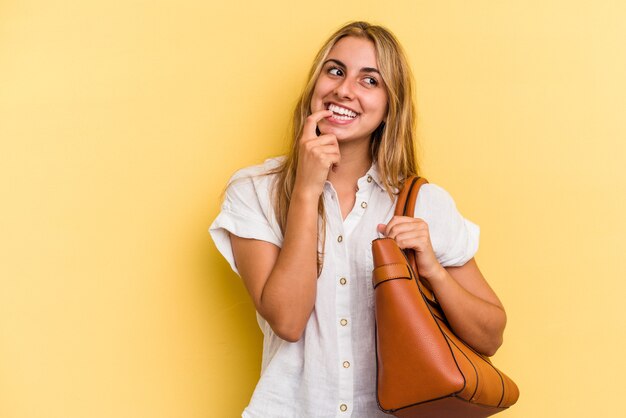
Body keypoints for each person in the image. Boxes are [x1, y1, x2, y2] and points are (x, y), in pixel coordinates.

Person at [209, 21, 507, 418]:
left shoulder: (424, 202)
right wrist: (305, 191)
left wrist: (432, 269)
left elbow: (491, 336)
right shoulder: (255, 191)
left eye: (370, 81)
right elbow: (288, 320)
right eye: (335, 71)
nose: (344, 89)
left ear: (389, 106)